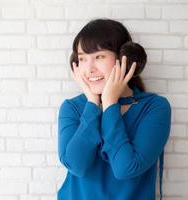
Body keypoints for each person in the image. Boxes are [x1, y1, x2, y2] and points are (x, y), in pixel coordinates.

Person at [57, 18, 171, 200]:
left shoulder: (154, 108)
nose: (89, 68)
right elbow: (77, 165)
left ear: (124, 59)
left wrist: (110, 103)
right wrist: (93, 103)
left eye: (99, 57)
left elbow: (125, 168)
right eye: (82, 59)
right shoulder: (72, 108)